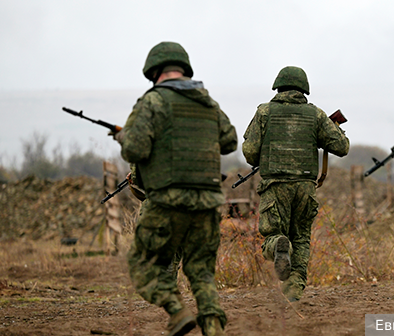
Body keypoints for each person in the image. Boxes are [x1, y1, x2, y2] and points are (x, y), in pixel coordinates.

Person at [115, 41, 237, 336]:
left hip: (167, 201)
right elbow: (230, 141)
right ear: (184, 69)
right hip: (208, 202)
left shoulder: (152, 102)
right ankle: (212, 328)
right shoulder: (209, 103)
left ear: (154, 71)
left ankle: (177, 311)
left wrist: (123, 137)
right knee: (201, 272)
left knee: (142, 265)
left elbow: (136, 150)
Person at [242, 66, 349, 302]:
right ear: (304, 89)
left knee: (273, 234)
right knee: (301, 237)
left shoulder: (264, 112)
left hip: (275, 186)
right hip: (305, 187)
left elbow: (250, 153)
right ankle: (294, 291)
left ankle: (279, 245)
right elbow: (342, 147)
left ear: (278, 86)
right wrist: (335, 129)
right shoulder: (316, 115)